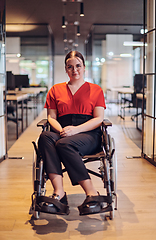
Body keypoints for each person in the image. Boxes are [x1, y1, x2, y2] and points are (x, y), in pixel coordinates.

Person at [38, 51, 106, 216]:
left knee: (64, 143)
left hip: (88, 133)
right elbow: (51, 117)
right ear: (66, 69)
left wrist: (75, 130)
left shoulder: (96, 90)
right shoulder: (56, 90)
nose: (74, 70)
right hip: (63, 130)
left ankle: (92, 193)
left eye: (78, 66)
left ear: (84, 68)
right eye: (70, 67)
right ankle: (59, 192)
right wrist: (62, 130)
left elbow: (98, 119)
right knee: (46, 137)